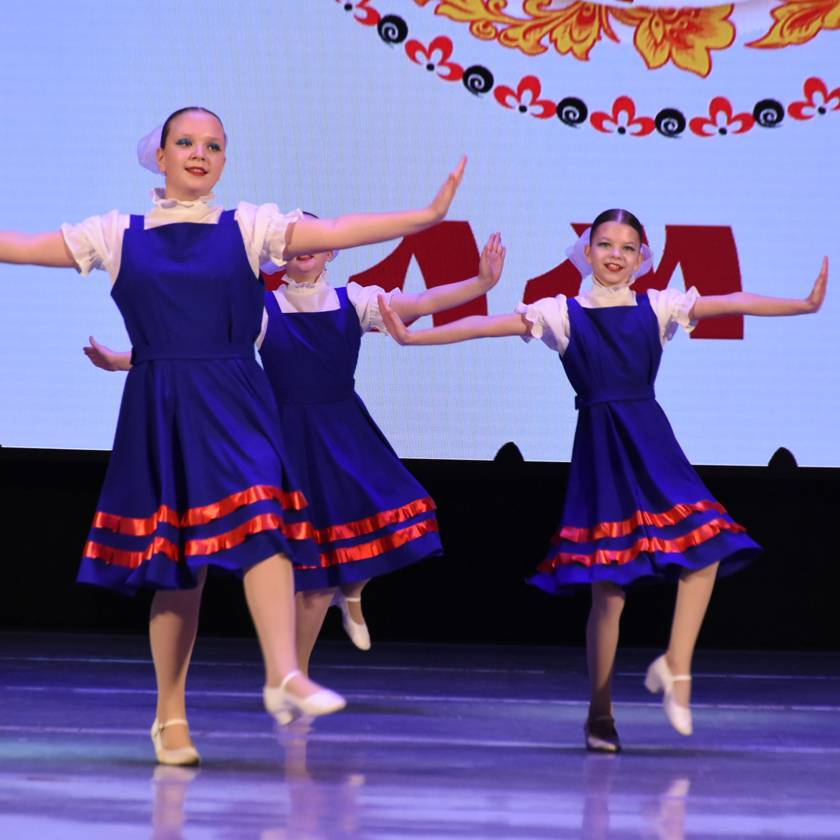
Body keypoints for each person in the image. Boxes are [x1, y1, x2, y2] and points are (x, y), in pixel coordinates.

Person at [0, 105, 466, 764]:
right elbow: (21, 246)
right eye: (186, 142)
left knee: (264, 516)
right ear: (161, 155)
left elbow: (337, 229)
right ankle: (170, 716)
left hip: (237, 396)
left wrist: (425, 216)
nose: (200, 154)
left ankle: (284, 672)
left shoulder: (249, 226)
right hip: (162, 401)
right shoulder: (115, 234)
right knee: (178, 568)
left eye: (213, 146)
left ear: (224, 159)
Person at [378, 208, 828, 752]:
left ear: (641, 259)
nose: (616, 255)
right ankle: (599, 713)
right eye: (606, 244)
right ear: (587, 251)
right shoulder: (560, 313)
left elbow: (732, 301)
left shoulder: (657, 306)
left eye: (627, 247)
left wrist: (803, 305)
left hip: (652, 442)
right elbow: (483, 326)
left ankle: (676, 664)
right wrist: (412, 339)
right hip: (602, 449)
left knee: (708, 545)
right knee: (608, 594)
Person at [86, 218, 506, 673]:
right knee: (311, 571)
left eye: (315, 241)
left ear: (331, 251)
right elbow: (199, 346)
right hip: (286, 435)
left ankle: (351, 591)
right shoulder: (263, 309)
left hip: (344, 430)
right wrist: (122, 361)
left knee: (388, 511)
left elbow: (420, 302)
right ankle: (296, 673)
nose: (306, 248)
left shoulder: (354, 300)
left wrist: (480, 283)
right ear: (280, 254)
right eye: (296, 241)